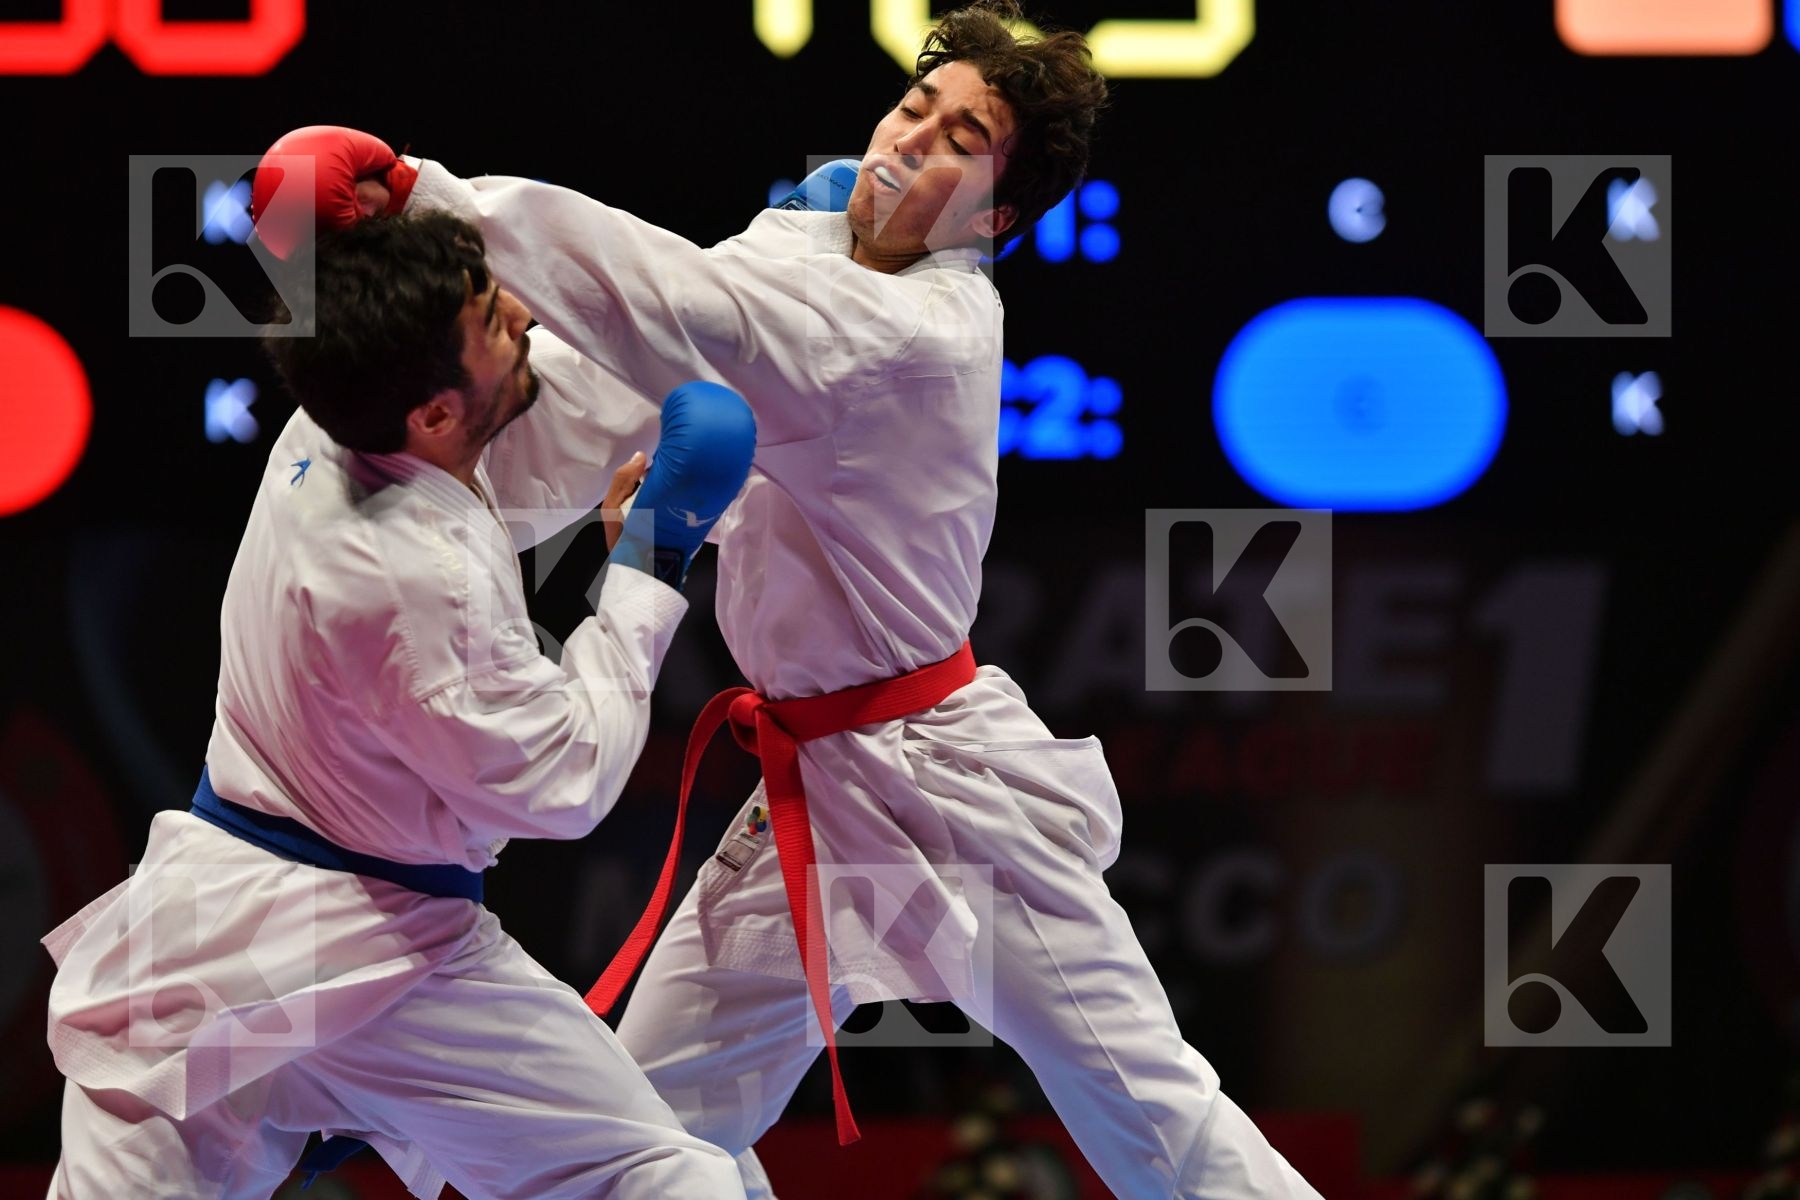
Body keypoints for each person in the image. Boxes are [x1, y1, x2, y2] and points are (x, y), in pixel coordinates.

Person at [272, 2, 1326, 1195]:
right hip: (811, 798)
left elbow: (669, 307)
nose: (909, 140)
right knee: (648, 1139)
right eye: (913, 107)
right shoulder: (815, 248)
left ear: (997, 217)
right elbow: (620, 388)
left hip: (952, 800)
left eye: (957, 141)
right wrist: (426, 437)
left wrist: (430, 200)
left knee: (1156, 1122)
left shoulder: (914, 332)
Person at [40, 210, 758, 1199]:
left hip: (199, 949)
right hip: (379, 954)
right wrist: (652, 562)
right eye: (495, 322)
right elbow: (569, 777)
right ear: (431, 414)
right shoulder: (418, 580)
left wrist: (740, 288)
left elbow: (457, 651)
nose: (520, 312)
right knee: (662, 1179)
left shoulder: (329, 418)